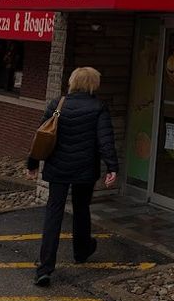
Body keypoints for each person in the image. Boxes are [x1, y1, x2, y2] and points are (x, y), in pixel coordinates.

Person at [26, 66, 119, 286]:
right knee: (81, 208)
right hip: (85, 169)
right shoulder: (98, 107)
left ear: (73, 82)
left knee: (54, 213)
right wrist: (112, 167)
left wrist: (32, 163)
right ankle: (82, 250)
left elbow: (40, 136)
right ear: (93, 84)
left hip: (58, 167)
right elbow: (105, 140)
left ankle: (45, 268)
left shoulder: (57, 104)